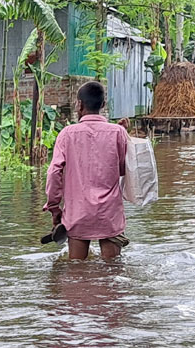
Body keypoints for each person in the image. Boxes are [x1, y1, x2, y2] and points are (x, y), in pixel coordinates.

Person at [44, 80, 128, 260]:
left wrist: (54, 208)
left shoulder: (67, 134)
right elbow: (122, 170)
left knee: (77, 269)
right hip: (109, 213)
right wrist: (121, 133)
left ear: (79, 104)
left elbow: (54, 173)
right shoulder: (118, 132)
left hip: (78, 213)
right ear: (103, 105)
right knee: (113, 269)